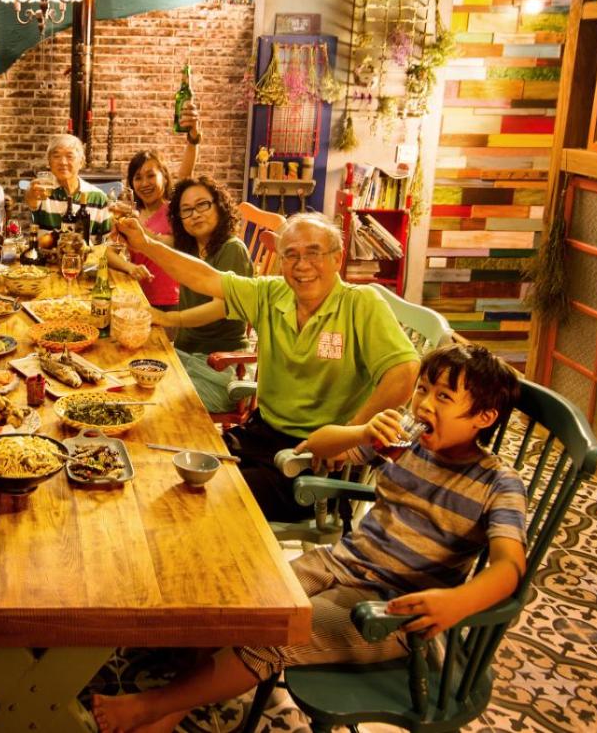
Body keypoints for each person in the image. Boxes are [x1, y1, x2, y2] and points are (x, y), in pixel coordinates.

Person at [91, 343, 527, 733]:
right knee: (247, 606)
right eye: (423, 390)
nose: (424, 404)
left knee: (273, 636)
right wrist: (363, 431)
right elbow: (314, 448)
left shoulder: (498, 484)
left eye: (444, 397)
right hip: (339, 561)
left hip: (390, 608)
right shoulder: (407, 443)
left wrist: (459, 602)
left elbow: (510, 567)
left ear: (484, 417)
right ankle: (173, 708)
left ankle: (152, 705)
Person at [116, 210, 419, 522]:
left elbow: (405, 371)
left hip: (316, 460)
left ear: (337, 259)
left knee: (206, 499)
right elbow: (206, 278)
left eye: (314, 253)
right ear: (281, 261)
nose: (302, 265)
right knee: (173, 467)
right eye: (291, 255)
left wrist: (351, 436)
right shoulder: (272, 293)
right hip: (262, 435)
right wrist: (145, 244)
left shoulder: (361, 303)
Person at [147, 178, 252, 412]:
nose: (195, 215)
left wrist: (168, 318)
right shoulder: (192, 247)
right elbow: (156, 242)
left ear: (219, 206)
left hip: (220, 367)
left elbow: (221, 307)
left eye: (202, 205)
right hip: (185, 355)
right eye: (186, 210)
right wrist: (134, 233)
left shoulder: (232, 249)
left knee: (156, 404)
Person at [115, 102, 204, 305]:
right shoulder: (132, 213)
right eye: (138, 178)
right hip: (135, 298)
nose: (145, 183)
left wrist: (193, 139)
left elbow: (186, 174)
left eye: (150, 175)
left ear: (164, 176)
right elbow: (111, 250)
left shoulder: (175, 209)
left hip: (170, 302)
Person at [24, 134, 113, 246]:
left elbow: (109, 242)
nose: (63, 162)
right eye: (56, 156)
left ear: (81, 162)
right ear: (49, 162)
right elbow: (32, 200)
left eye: (69, 156)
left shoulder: (98, 197)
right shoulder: (43, 191)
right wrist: (30, 194)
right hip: (45, 256)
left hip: (85, 256)